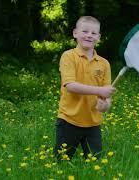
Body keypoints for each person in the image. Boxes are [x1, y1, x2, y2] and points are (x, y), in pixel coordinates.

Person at [54, 16, 115, 160]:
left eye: (94, 33)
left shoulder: (104, 64)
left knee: (95, 163)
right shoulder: (68, 57)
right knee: (61, 162)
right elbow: (70, 86)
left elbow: (107, 97)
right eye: (85, 31)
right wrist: (99, 91)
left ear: (98, 37)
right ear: (75, 33)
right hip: (69, 120)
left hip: (93, 123)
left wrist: (105, 106)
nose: (89, 35)